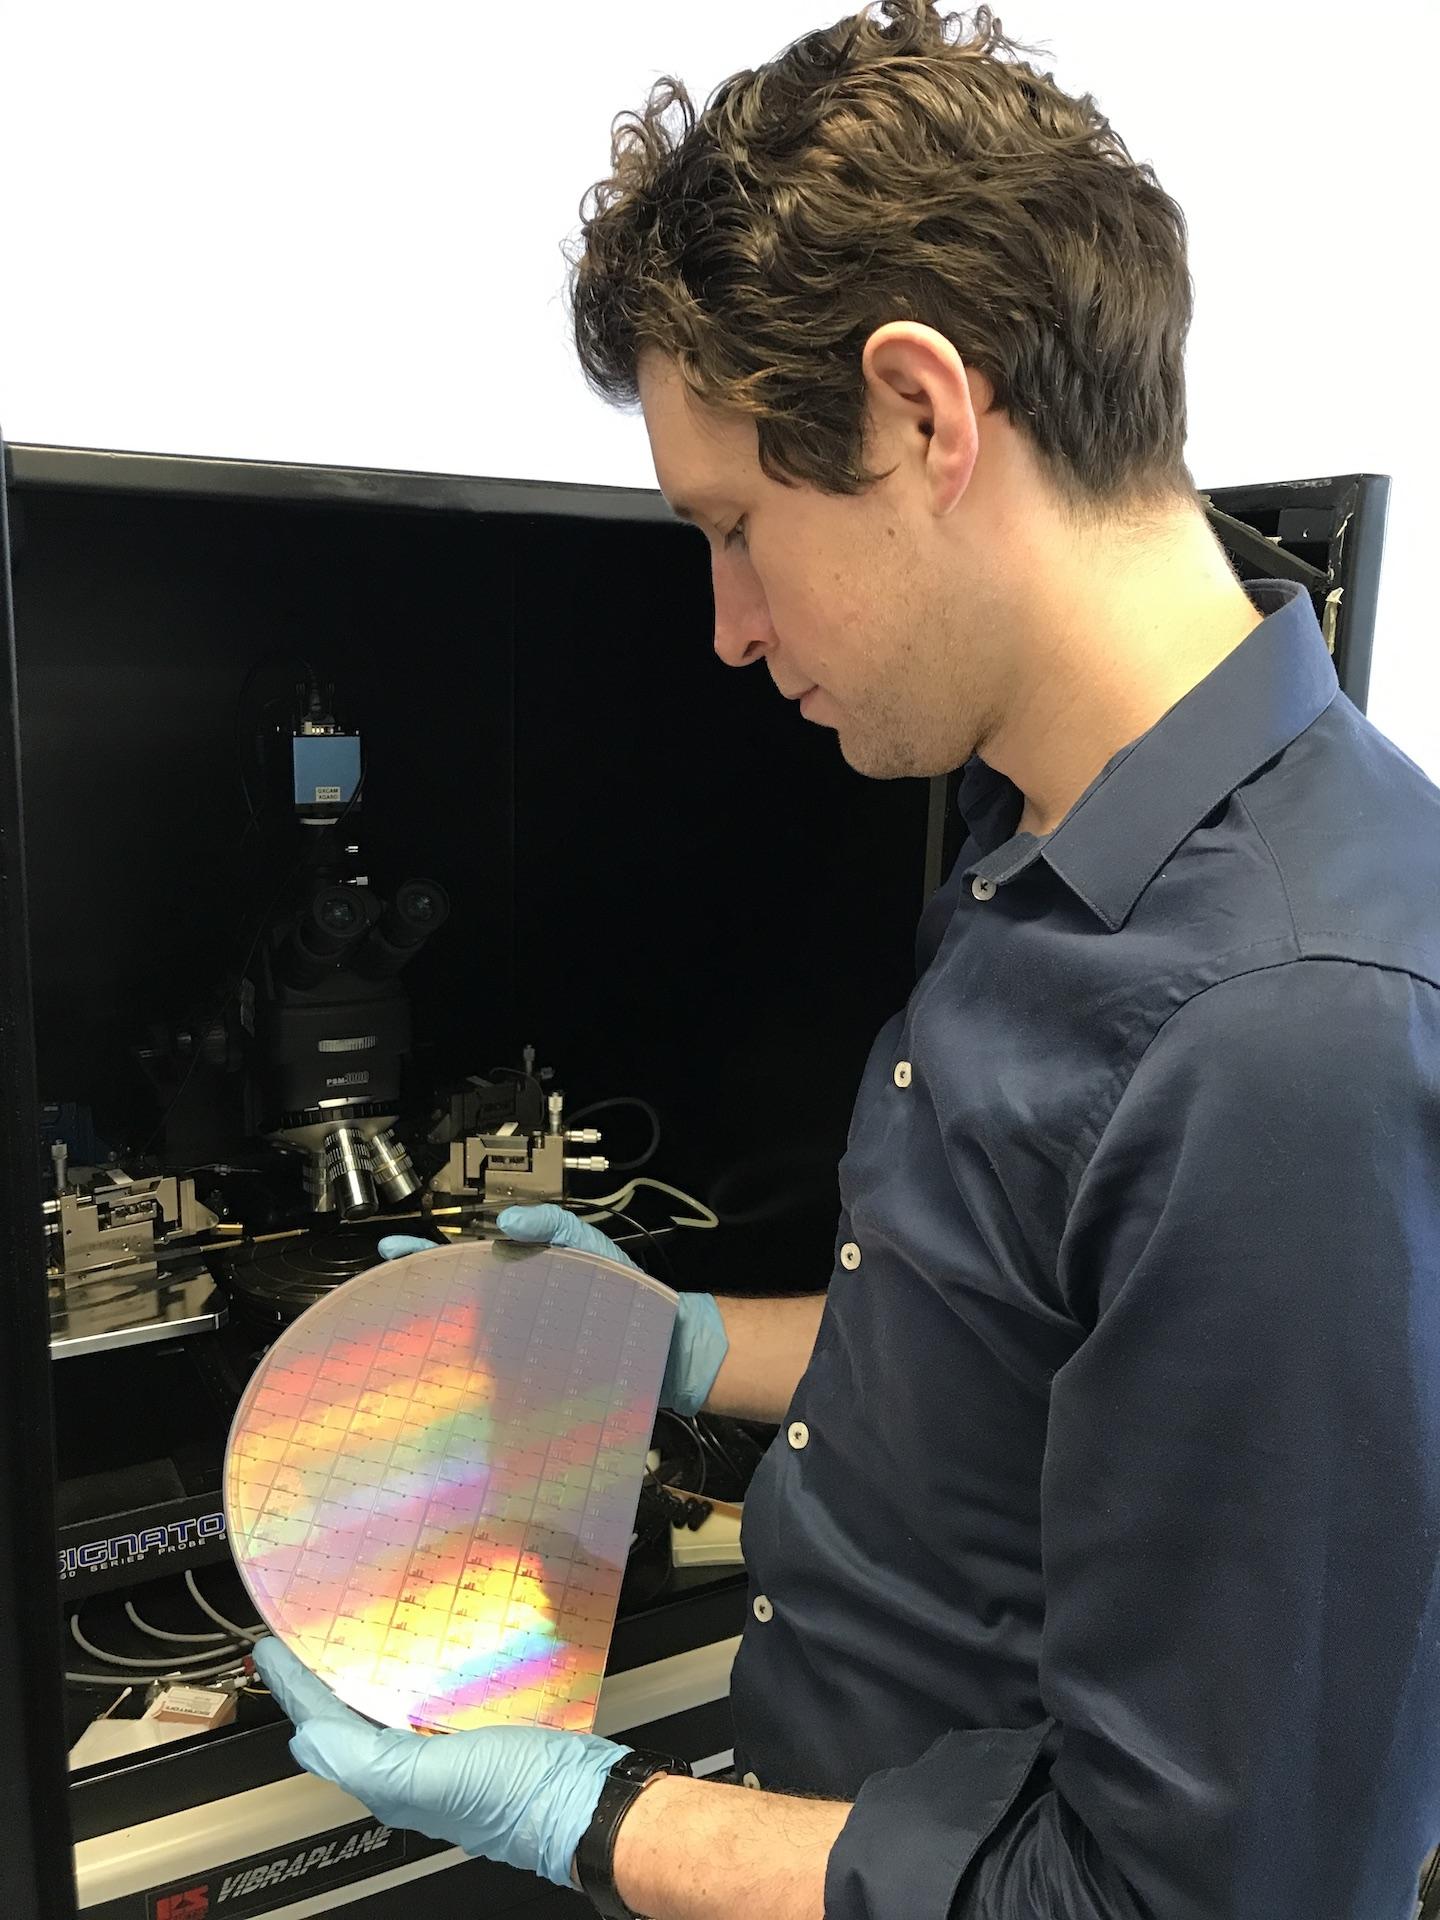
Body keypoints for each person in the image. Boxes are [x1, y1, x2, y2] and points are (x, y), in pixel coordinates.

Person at [253, 3, 1440, 1915]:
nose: (727, 625)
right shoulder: (1035, 824)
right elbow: (1012, 1359)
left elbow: (1184, 1899)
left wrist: (592, 1816)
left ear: (921, 415)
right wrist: (684, 1342)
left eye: (735, 527)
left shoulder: (1291, 1031)